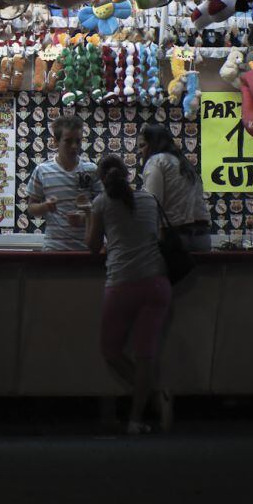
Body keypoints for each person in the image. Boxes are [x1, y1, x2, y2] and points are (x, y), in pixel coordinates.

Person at [86, 154, 173, 435]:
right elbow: (158, 238)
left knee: (111, 351)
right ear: (128, 174)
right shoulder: (149, 199)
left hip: (122, 282)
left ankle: (154, 395)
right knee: (146, 354)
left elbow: (91, 245)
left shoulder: (101, 203)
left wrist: (89, 216)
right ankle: (137, 418)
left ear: (102, 179)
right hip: (157, 283)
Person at [26, 114, 102, 251]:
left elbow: (103, 209)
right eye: (68, 141)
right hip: (54, 249)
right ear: (55, 141)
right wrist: (45, 206)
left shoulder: (92, 170)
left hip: (87, 249)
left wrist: (85, 216)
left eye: (78, 141)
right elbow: (31, 208)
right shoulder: (42, 170)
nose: (74, 146)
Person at [139, 123, 212, 252]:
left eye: (143, 145)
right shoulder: (185, 164)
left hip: (175, 238)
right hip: (202, 237)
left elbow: (152, 202)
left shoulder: (156, 161)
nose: (140, 151)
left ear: (153, 143)